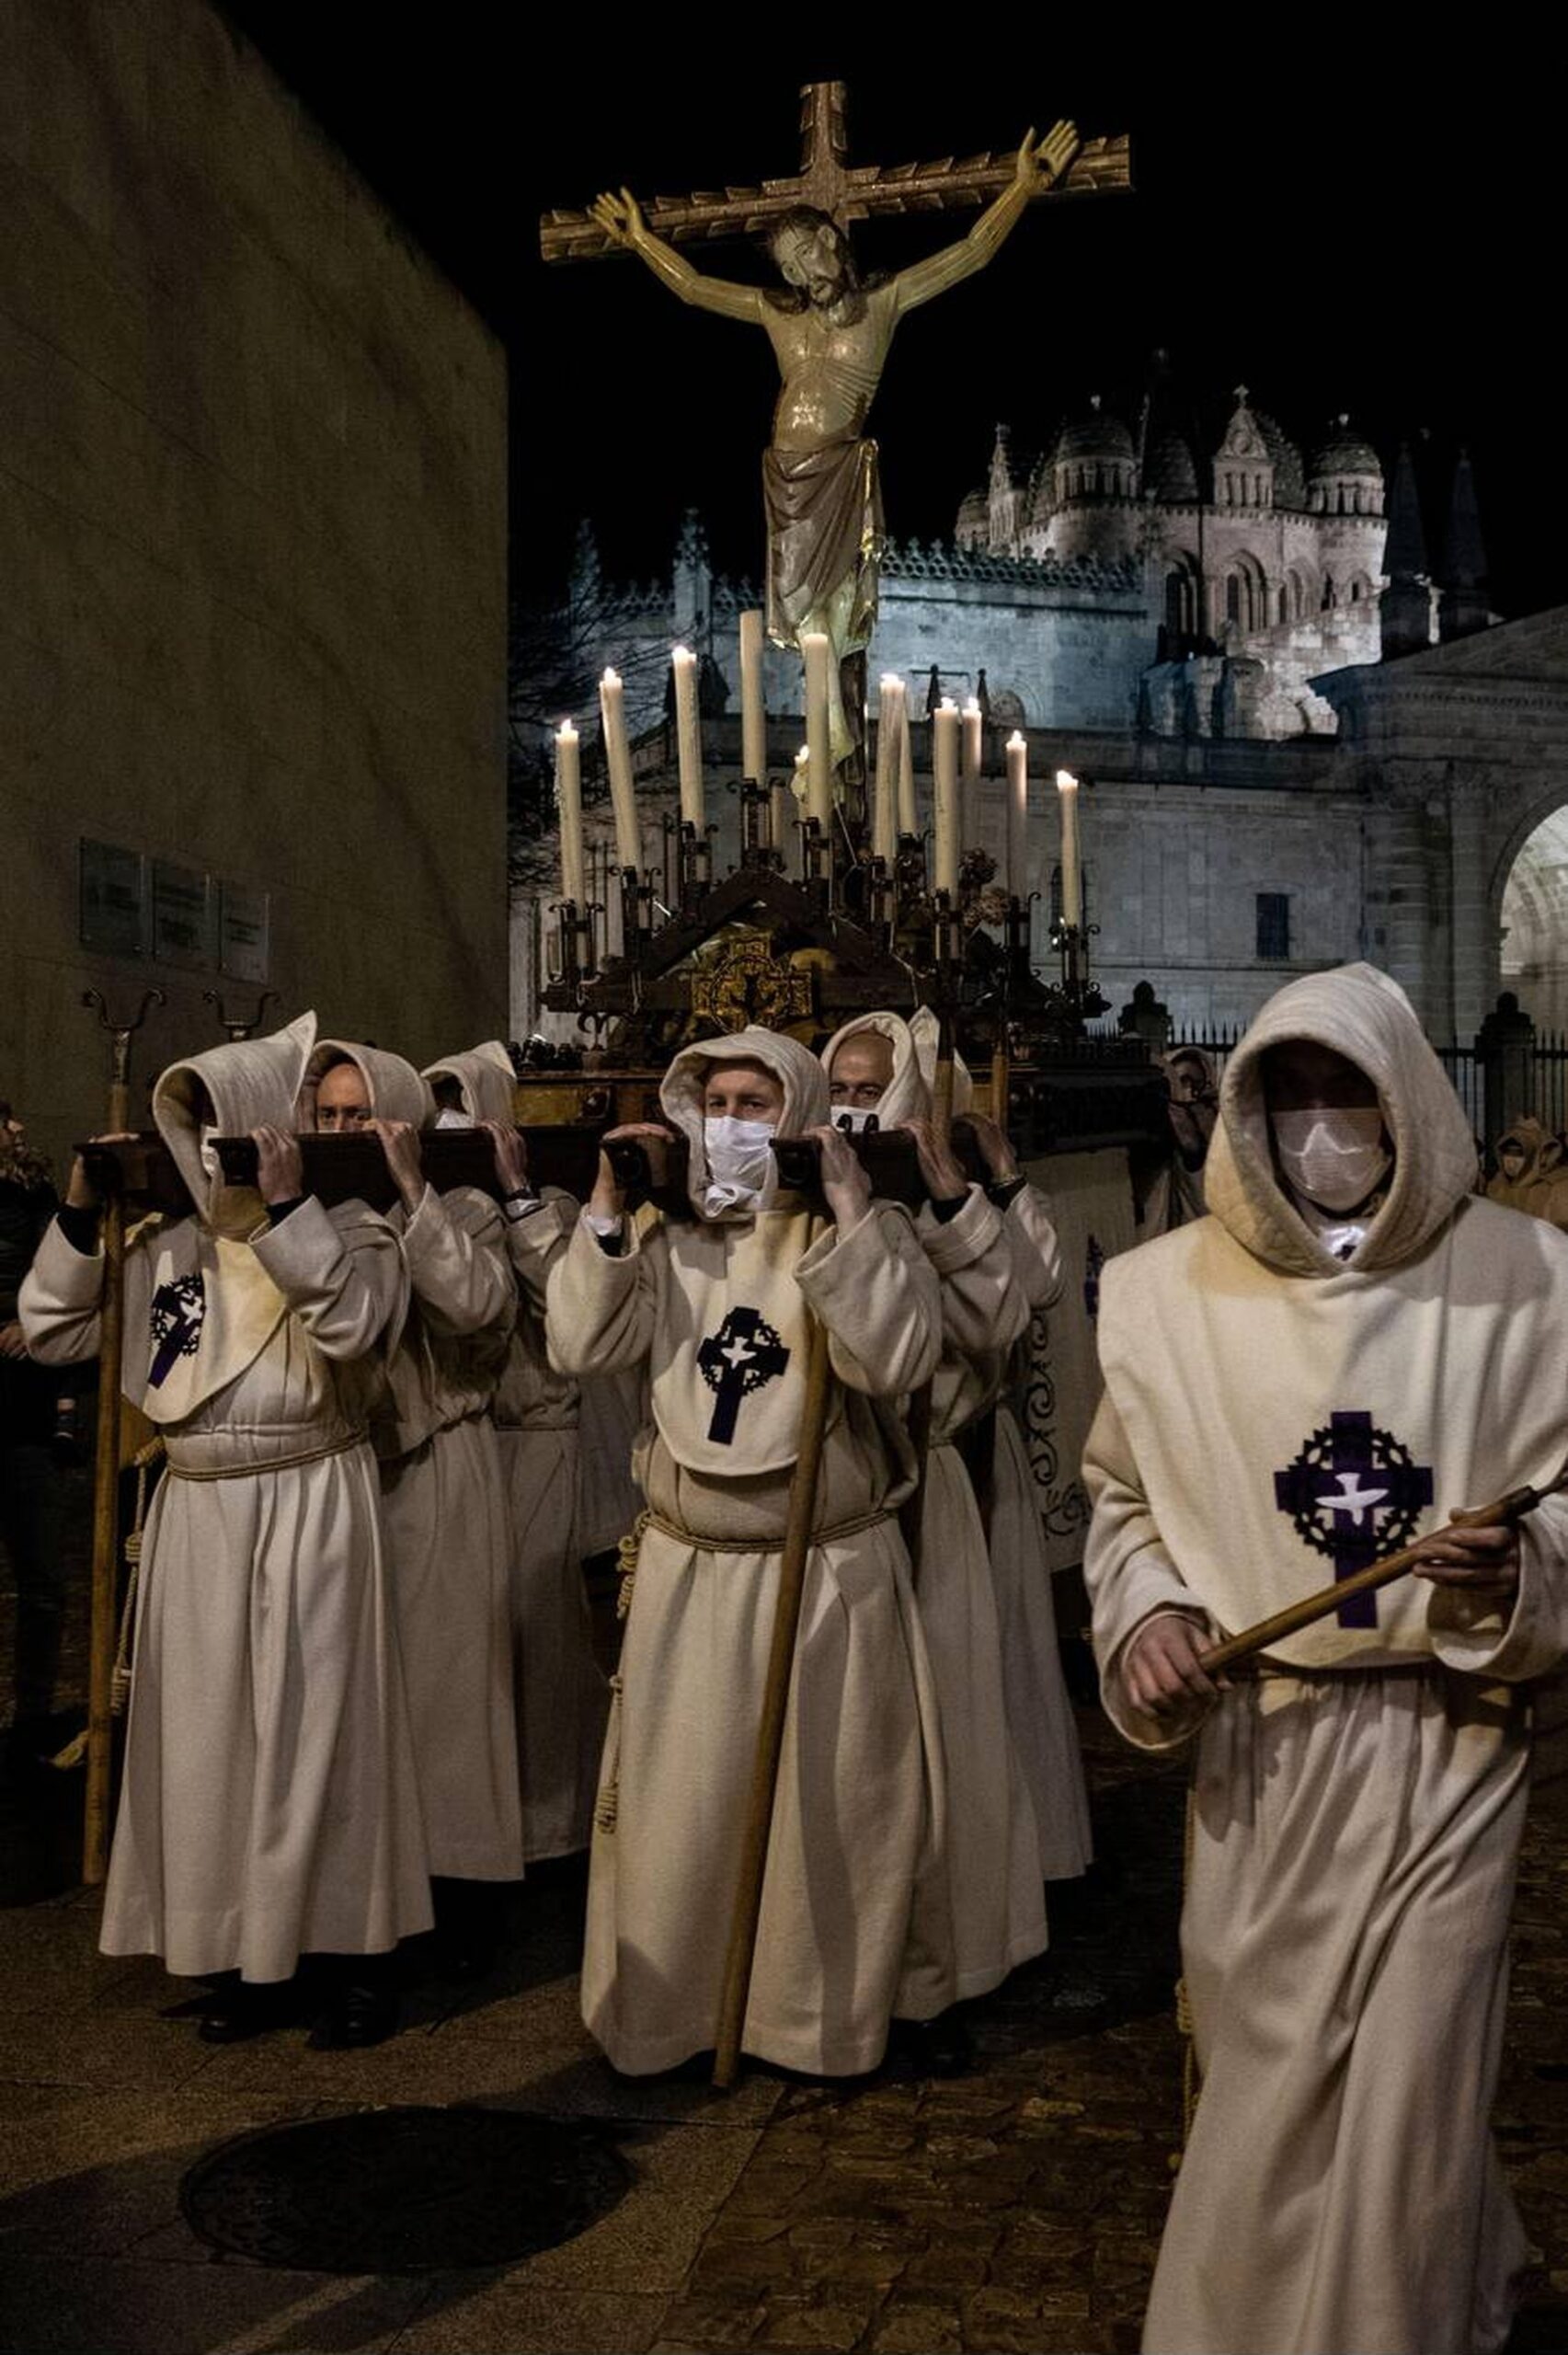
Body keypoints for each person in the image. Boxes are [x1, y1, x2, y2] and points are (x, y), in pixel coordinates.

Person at [1082, 962, 1568, 2355]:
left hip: (1448, 1741)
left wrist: (1518, 1569)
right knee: (1269, 2078)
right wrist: (1153, 1616)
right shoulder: (1166, 1295)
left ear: (1404, 1096)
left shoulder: (1523, 1281)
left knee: (1415, 2093)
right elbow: (1127, 1506)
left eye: (1342, 1090)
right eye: (1283, 1093)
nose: (1314, 1122)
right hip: (1267, 1752)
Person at [546, 1025, 954, 2076]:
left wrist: (847, 1215)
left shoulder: (849, 1228)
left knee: (822, 1808)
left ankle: (808, 2019)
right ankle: (672, 2008)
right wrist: (604, 1203)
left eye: (756, 1102)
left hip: (816, 1570)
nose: (732, 1121)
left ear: (804, 1114)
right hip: (691, 1566)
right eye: (716, 1101)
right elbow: (580, 1347)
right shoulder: (667, 1236)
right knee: (683, 1813)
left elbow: (895, 1357)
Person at [19, 1015, 430, 2043]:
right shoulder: (164, 1243)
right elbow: (54, 1328)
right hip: (199, 1507)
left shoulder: (355, 1228)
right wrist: (79, 1209)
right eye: (186, 1129)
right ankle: (246, 1951)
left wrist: (288, 1208)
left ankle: (351, 1958)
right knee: (208, 1741)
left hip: (307, 1497)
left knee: (317, 1734)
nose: (202, 1152)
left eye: (219, 1126)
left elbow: (346, 1324)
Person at [589, 125, 1078, 772]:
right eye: (786, 268)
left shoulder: (883, 302)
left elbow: (970, 252)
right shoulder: (778, 314)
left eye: (803, 255)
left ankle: (836, 749)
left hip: (840, 474)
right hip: (785, 481)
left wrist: (1021, 185)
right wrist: (640, 239)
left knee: (836, 618)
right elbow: (694, 287)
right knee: (806, 623)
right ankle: (825, 746)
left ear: (829, 239)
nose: (797, 273)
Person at [825, 1013, 1090, 1923]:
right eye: (841, 1091)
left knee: (970, 1686)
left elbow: (1022, 1295)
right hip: (857, 1476)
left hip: (952, 1470)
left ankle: (979, 1884)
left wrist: (974, 1192)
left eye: (872, 1091)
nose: (854, 1110)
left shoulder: (959, 1194)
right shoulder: (817, 1192)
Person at [303, 1040, 522, 1970]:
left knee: (440, 1687)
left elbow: (474, 1303)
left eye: (365, 1115)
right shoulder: (319, 1212)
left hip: (441, 1460)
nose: (348, 1132)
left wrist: (411, 1198)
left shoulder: (460, 1201)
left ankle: (451, 1884)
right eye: (332, 1116)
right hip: (349, 1470)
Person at [419, 1040, 611, 1865]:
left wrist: (516, 1197)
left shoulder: (549, 1205)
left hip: (538, 1437)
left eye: (462, 1100)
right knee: (470, 1647)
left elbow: (564, 1303)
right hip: (462, 1442)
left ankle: (550, 1827)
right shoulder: (433, 1210)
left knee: (541, 1641)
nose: (448, 1121)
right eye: (435, 1105)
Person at [0, 1099, 76, 1775]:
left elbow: (59, 1281)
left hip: (24, 1416)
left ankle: (33, 1716)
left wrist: (38, 1326)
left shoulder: (36, 1193)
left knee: (44, 1579)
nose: (19, 1128)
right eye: (4, 1120)